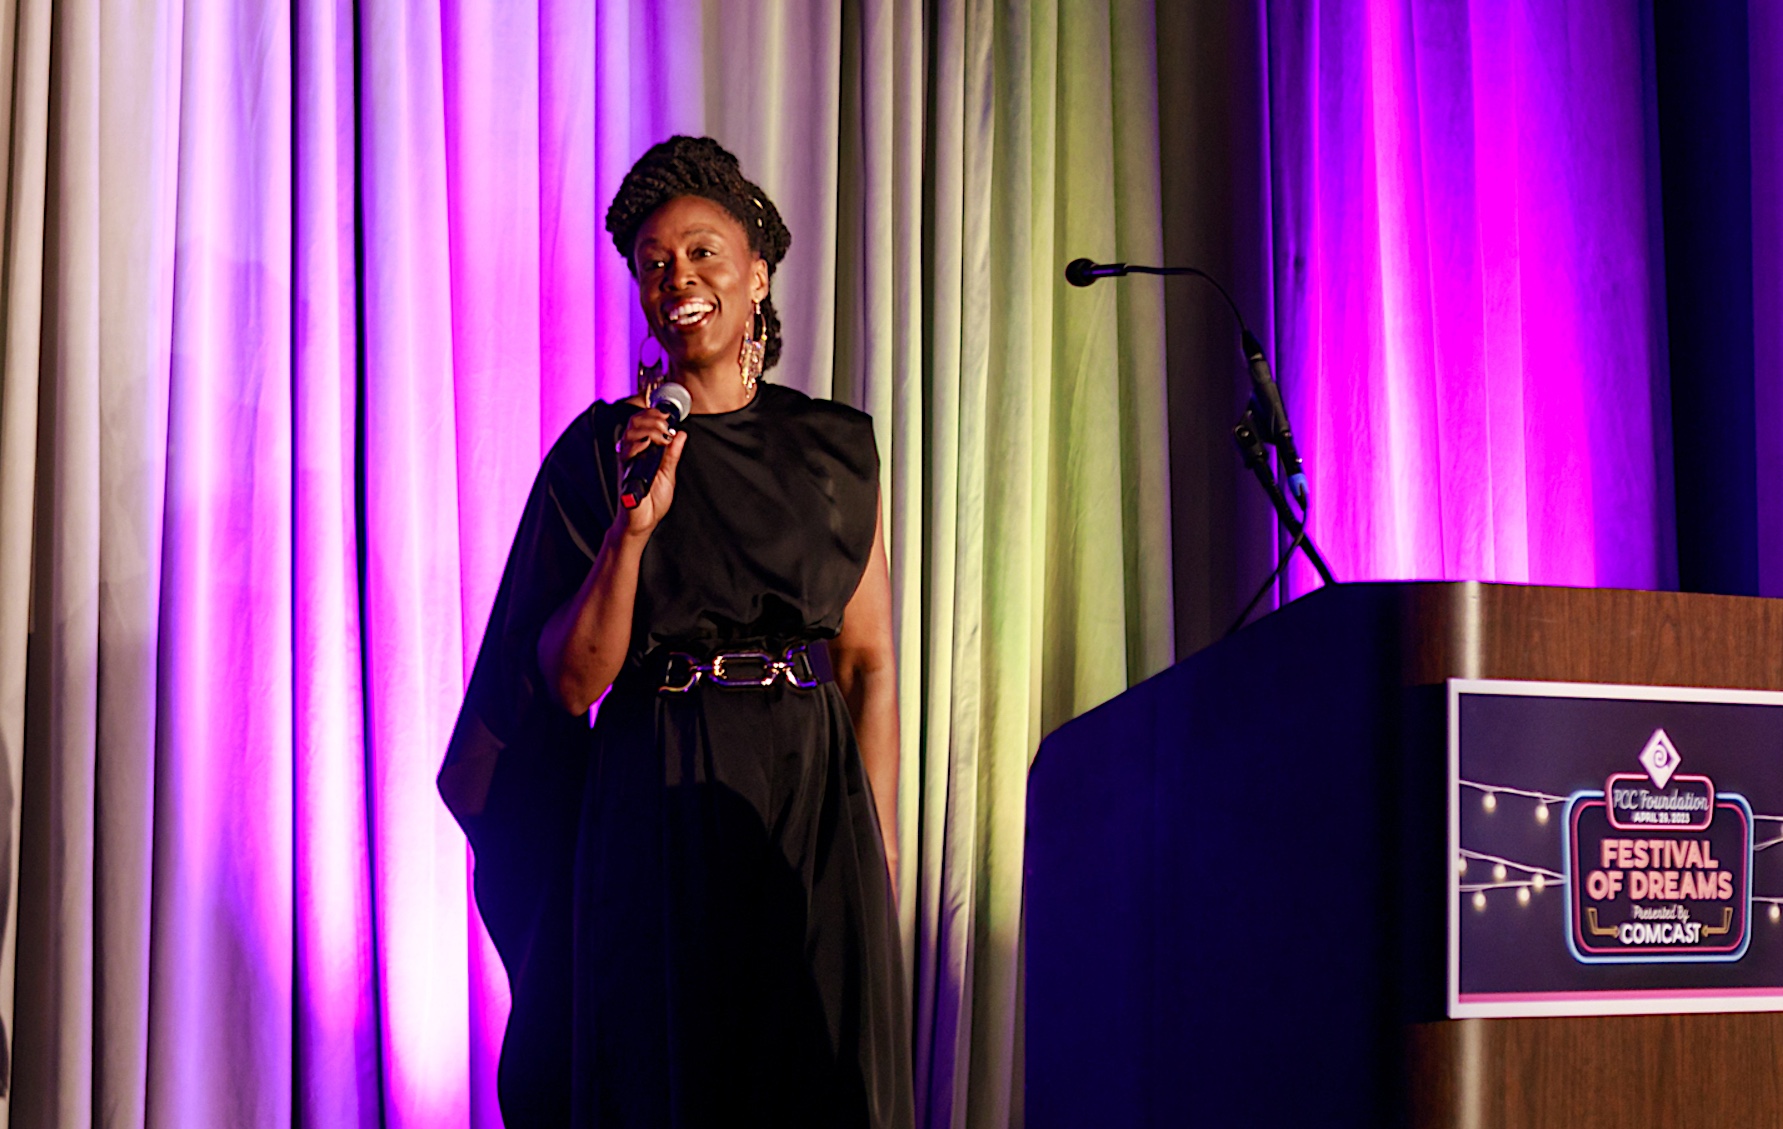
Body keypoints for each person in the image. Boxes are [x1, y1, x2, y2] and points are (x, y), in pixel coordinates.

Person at [438, 135, 913, 1127]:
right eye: (653, 263)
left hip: (806, 798)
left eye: (702, 251)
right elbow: (569, 683)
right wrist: (629, 528)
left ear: (758, 273)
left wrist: (876, 856)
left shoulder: (831, 449)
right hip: (658, 785)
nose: (677, 278)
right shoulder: (600, 453)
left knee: (804, 1080)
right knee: (669, 1074)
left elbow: (868, 662)